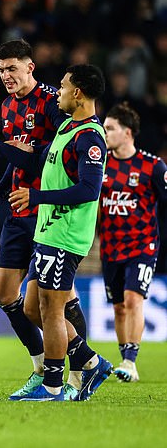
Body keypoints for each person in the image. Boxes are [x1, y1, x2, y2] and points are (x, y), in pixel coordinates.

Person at [0, 64, 113, 401]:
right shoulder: (67, 128)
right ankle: (89, 361)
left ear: (77, 92)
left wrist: (37, 196)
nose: (58, 91)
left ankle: (51, 385)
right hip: (48, 231)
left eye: (63, 86)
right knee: (33, 309)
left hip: (65, 233)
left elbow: (88, 190)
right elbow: (35, 162)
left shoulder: (90, 137)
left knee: (51, 309)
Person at [100, 102, 167, 383]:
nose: (104, 134)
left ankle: (130, 360)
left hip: (142, 245)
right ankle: (126, 358)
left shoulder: (152, 166)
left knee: (132, 299)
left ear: (127, 133)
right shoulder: (99, 163)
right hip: (110, 247)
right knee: (118, 306)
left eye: (110, 129)